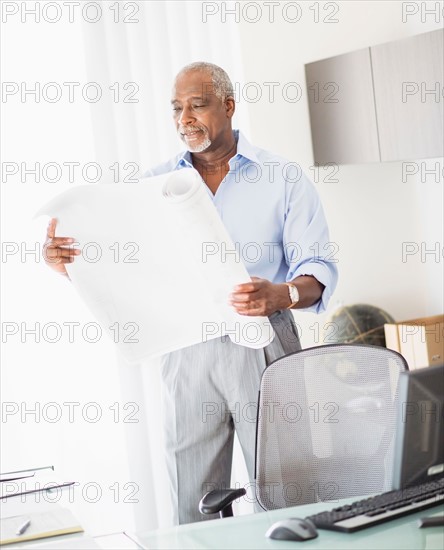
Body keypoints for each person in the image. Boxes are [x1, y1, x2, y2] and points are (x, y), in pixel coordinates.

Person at [44, 62, 338, 525]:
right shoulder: (151, 185)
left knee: (284, 492)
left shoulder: (281, 177)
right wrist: (68, 264)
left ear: (228, 105)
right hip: (185, 348)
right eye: (177, 109)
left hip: (263, 342)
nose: (185, 118)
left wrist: (281, 294)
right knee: (190, 495)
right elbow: (121, 267)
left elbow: (318, 268)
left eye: (197, 105)